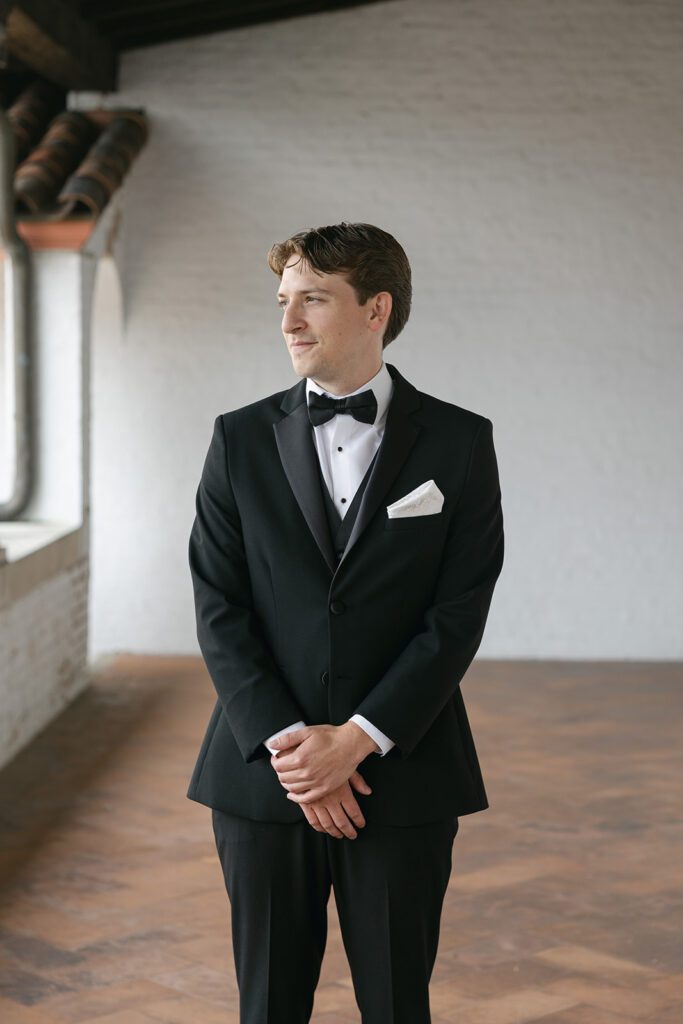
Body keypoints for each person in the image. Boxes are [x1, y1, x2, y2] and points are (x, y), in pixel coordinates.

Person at [187, 221, 505, 1024]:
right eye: (283, 302)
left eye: (313, 300)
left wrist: (358, 738)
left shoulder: (461, 442)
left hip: (402, 773)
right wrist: (297, 753)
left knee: (398, 1004)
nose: (288, 322)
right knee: (266, 1006)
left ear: (376, 309)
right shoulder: (237, 438)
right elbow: (218, 605)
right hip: (266, 776)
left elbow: (458, 611)